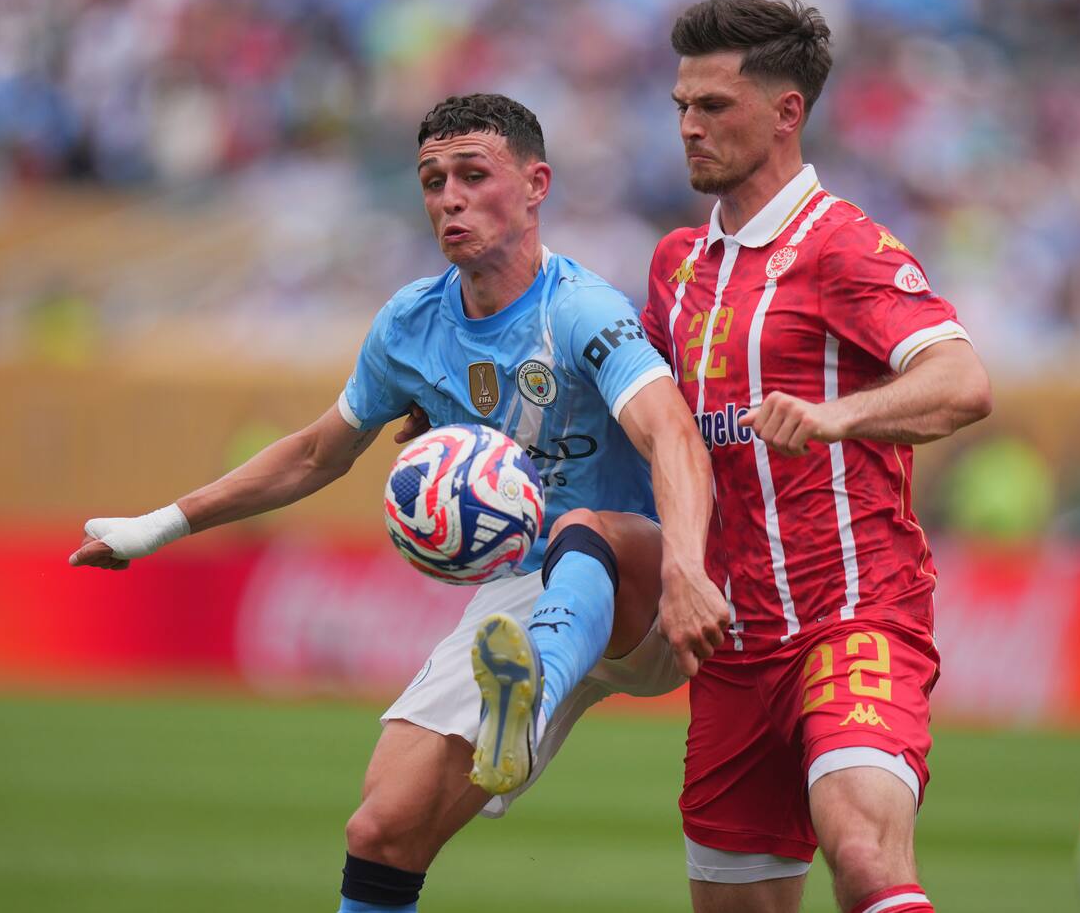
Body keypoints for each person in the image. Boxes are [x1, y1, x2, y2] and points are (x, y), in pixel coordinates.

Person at [69, 93, 728, 913]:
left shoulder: (582, 310)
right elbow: (316, 452)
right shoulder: (411, 326)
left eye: (473, 175)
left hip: (644, 584)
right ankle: (516, 700)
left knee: (580, 527)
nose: (450, 198)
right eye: (432, 180)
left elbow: (671, 434)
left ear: (536, 185)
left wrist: (689, 568)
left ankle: (526, 702)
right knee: (382, 829)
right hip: (521, 598)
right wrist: (162, 524)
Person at [640, 0, 993, 913]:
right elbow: (643, 427)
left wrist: (839, 417)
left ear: (786, 112)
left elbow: (962, 381)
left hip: (853, 616)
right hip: (732, 646)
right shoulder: (677, 266)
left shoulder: (843, 246)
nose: (689, 125)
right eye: (682, 105)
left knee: (864, 855)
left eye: (714, 105)